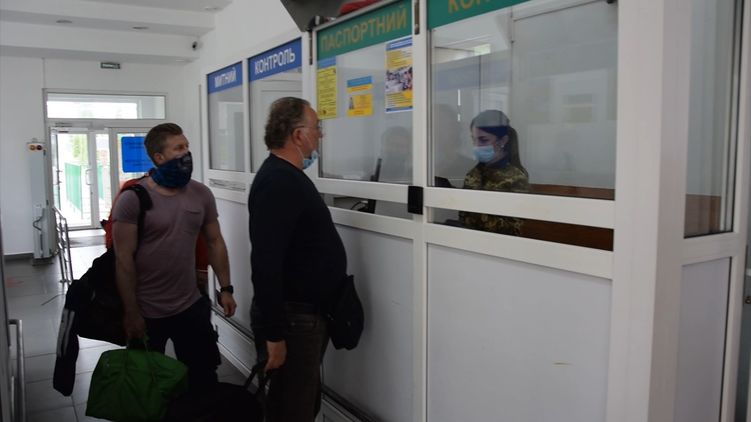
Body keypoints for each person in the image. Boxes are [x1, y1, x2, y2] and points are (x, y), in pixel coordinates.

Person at [112, 123, 237, 391]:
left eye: (186, 146)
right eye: (178, 148)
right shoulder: (133, 199)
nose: (186, 153)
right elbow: (123, 259)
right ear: (159, 157)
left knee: (203, 380)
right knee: (145, 387)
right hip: (146, 310)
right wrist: (131, 312)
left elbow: (215, 241)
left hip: (190, 306)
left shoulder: (201, 194)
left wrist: (225, 288)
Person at [248, 97, 347, 422]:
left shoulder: (286, 176)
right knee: (291, 409)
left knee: (301, 403)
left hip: (302, 317)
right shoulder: (278, 182)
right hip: (293, 321)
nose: (321, 135)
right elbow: (266, 263)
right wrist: (275, 335)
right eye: (316, 128)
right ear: (298, 135)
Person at [459, 110, 529, 235]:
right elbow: (463, 217)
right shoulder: (473, 173)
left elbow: (513, 227)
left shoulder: (516, 178)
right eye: (474, 140)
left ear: (502, 141)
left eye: (483, 140)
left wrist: (473, 208)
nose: (476, 146)